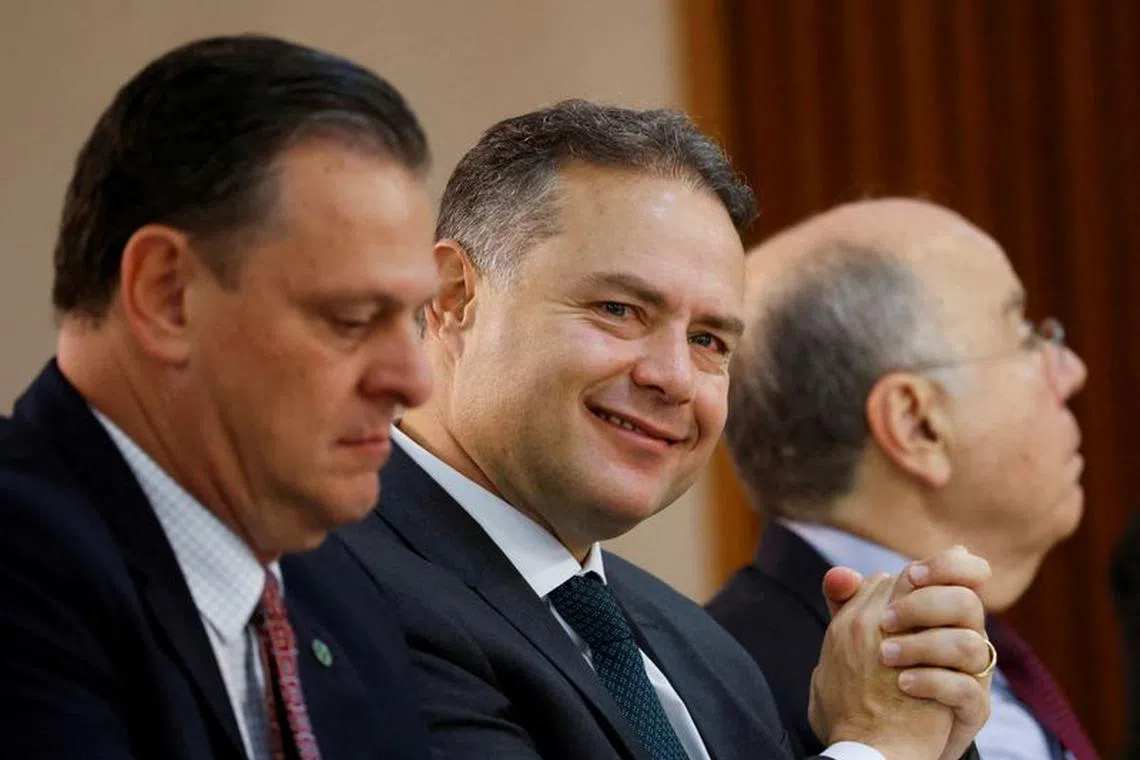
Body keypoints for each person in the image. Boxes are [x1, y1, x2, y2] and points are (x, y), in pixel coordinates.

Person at [284, 101, 995, 760]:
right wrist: (873, 749)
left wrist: (922, 718)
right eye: (621, 309)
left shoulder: (704, 652)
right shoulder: (330, 590)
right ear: (453, 298)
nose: (674, 377)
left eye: (711, 340)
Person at [0, 35, 439, 759]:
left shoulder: (341, 599)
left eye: (411, 319)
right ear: (167, 294)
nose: (413, 380)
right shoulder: (22, 566)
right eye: (352, 320)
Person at [706, 198, 1097, 759]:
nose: (1072, 371)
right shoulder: (725, 701)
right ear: (917, 424)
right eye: (1027, 334)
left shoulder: (986, 646)